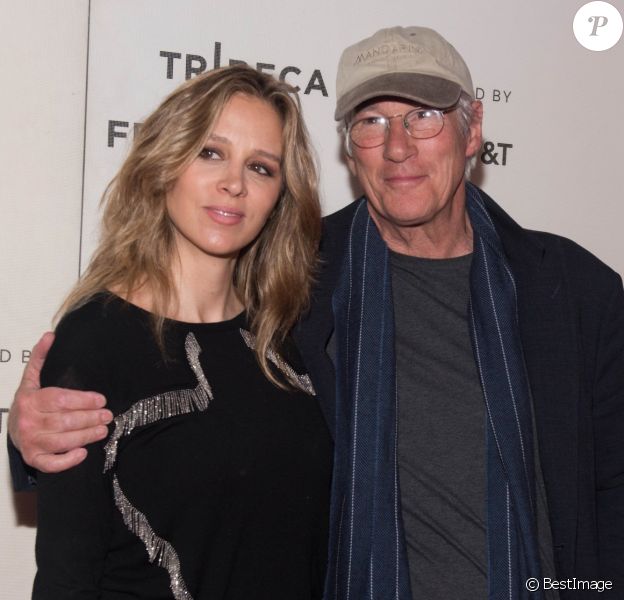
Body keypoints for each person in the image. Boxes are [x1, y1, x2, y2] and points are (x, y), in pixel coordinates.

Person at [9, 26, 624, 600]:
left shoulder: (572, 290)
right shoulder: (297, 279)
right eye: (372, 121)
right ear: (348, 149)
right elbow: (166, 381)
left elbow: (612, 490)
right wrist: (29, 436)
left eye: (424, 117)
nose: (398, 146)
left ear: (472, 129)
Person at [12, 64, 332, 599]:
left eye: (261, 167)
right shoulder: (95, 341)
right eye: (211, 152)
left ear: (280, 196)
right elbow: (66, 577)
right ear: (166, 162)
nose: (234, 183)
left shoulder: (289, 336)